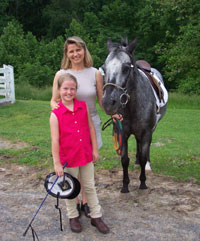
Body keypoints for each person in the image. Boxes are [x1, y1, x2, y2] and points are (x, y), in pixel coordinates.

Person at [50, 36, 104, 218]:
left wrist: (113, 113)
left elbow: (101, 100)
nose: (75, 54)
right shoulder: (61, 74)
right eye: (71, 51)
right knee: (73, 164)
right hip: (68, 125)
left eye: (78, 50)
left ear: (84, 50)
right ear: (67, 54)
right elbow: (54, 100)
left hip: (89, 122)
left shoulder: (95, 73)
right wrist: (57, 115)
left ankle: (86, 202)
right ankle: (76, 201)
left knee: (87, 163)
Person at [50, 73, 109, 234]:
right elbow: (55, 141)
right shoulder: (56, 114)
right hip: (68, 159)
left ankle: (96, 216)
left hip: (85, 154)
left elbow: (91, 128)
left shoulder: (83, 106)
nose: (69, 92)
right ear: (59, 90)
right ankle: (73, 216)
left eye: (72, 89)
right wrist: (57, 163)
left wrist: (95, 149)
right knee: (71, 188)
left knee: (89, 186)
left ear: (76, 90)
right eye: (65, 89)